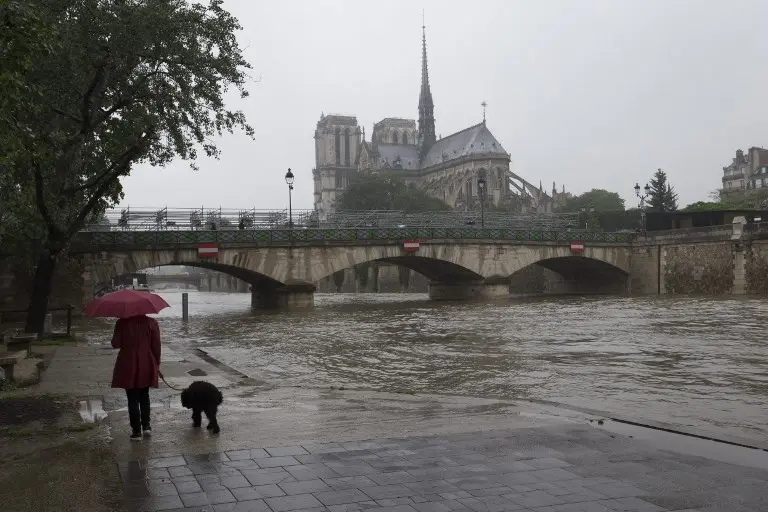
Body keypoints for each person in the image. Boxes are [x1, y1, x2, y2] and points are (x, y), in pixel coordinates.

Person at [111, 314, 161, 441]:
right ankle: (146, 426)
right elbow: (156, 346)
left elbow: (115, 344)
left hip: (128, 362)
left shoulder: (121, 322)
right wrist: (156, 363)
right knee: (144, 394)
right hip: (146, 361)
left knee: (132, 397)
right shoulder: (152, 323)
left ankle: (136, 432)